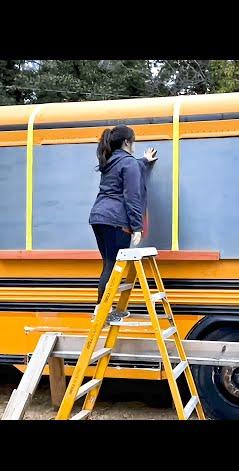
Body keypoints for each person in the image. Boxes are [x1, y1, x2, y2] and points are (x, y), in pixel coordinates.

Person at [89, 125, 158, 323]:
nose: (135, 145)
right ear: (127, 142)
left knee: (108, 264)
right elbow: (132, 196)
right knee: (112, 265)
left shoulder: (112, 161)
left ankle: (101, 309)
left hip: (99, 216)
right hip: (115, 220)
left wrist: (144, 161)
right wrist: (137, 227)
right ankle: (102, 312)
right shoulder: (128, 163)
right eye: (134, 141)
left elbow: (131, 167)